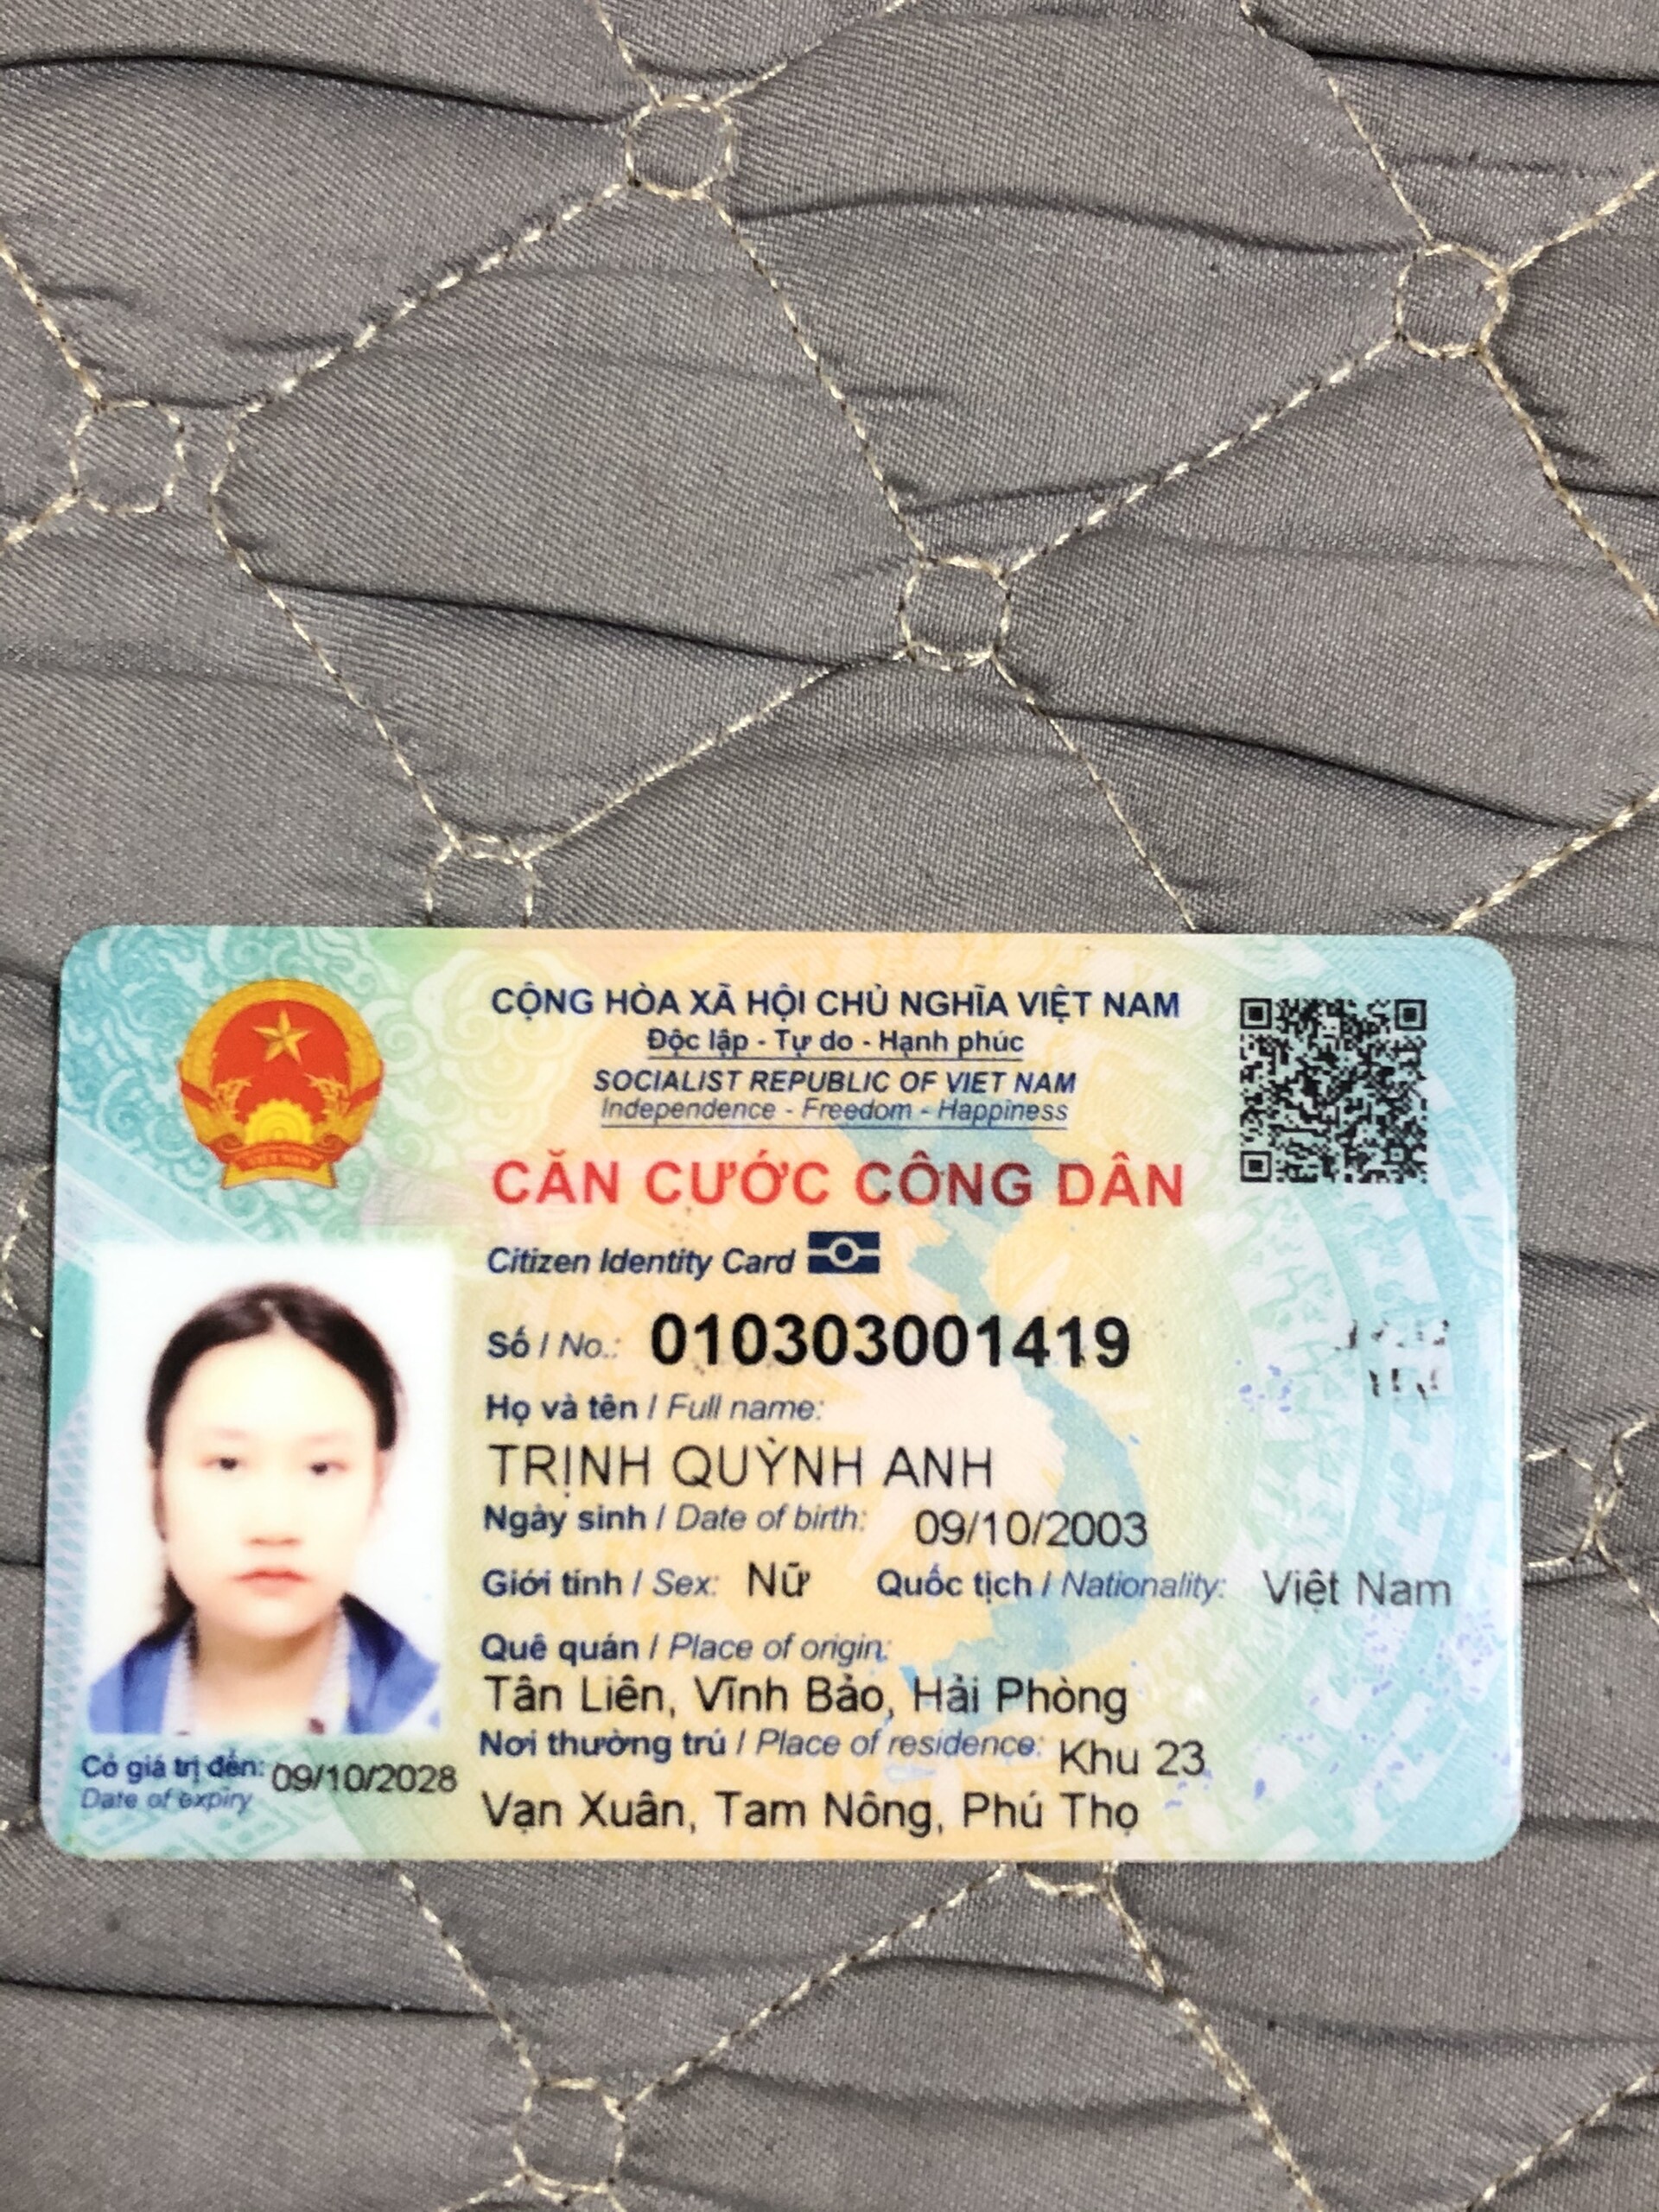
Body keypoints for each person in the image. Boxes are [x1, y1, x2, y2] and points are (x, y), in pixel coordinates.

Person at [87, 1282, 438, 1736]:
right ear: (157, 1488)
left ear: (376, 1487)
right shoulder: (83, 1726)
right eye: (227, 1463)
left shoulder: (447, 1718)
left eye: (321, 1468)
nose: (274, 1525)